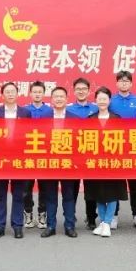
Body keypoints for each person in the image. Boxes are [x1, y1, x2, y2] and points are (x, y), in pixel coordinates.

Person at [0, 82, 32, 238]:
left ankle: (17, 225)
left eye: (12, 91)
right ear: (2, 95)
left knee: (19, 193)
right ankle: (0, 226)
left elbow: (29, 135)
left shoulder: (25, 113)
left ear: (17, 94)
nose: (10, 94)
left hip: (19, 158)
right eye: (7, 92)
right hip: (1, 158)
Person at [85, 88, 126, 237]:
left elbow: (123, 141)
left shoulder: (117, 119)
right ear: (95, 100)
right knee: (99, 193)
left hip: (113, 163)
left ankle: (107, 222)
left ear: (109, 101)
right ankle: (103, 222)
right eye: (99, 99)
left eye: (105, 99)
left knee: (112, 193)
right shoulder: (90, 119)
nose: (102, 101)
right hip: (95, 163)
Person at [40, 86, 79, 238]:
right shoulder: (44, 118)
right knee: (50, 196)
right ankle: (51, 226)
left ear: (67, 99)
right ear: (51, 100)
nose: (59, 99)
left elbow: (78, 141)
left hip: (68, 163)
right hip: (50, 163)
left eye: (61, 96)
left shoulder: (75, 118)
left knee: (69, 195)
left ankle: (69, 225)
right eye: (56, 96)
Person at [109, 70, 136, 230]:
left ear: (131, 83)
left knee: (135, 184)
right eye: (121, 81)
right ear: (117, 83)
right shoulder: (111, 101)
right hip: (116, 147)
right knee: (116, 183)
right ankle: (114, 215)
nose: (124, 83)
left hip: (133, 148)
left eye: (126, 81)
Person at [67, 77, 99, 230]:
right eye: (78, 89)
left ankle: (91, 218)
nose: (81, 91)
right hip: (73, 154)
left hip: (91, 153)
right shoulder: (68, 110)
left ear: (89, 91)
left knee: (91, 188)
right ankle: (70, 216)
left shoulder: (96, 108)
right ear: (74, 91)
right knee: (72, 188)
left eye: (84, 89)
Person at [22, 80, 52, 228]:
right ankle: (28, 212)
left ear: (44, 93)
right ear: (30, 93)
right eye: (35, 92)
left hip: (44, 154)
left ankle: (42, 214)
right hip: (27, 154)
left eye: (40, 92)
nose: (37, 94)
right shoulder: (24, 111)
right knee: (26, 188)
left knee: (44, 187)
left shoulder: (50, 111)